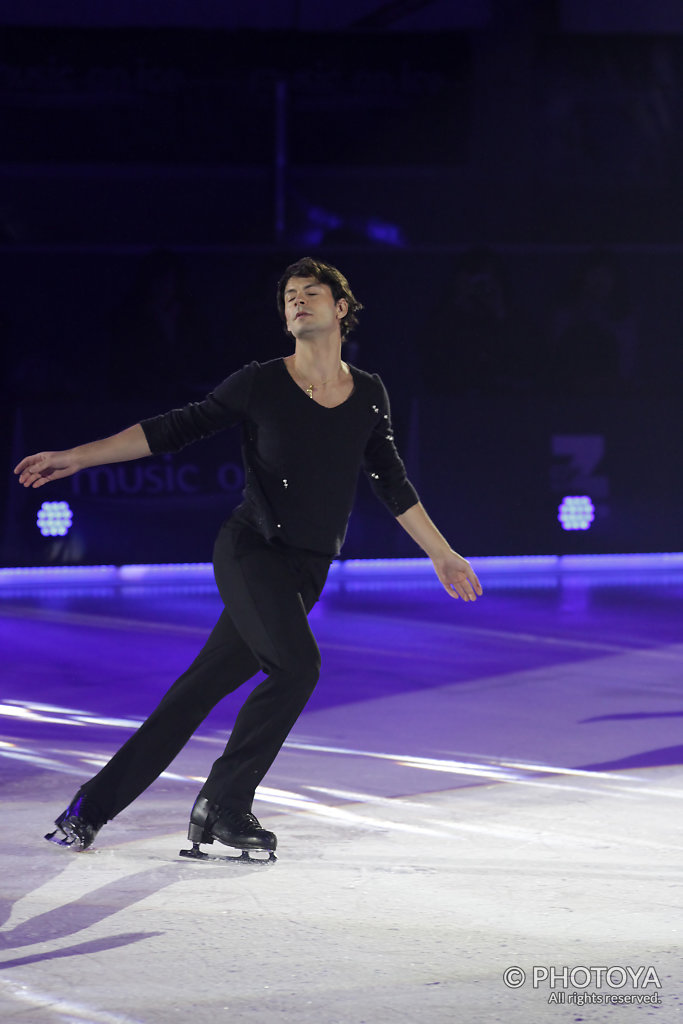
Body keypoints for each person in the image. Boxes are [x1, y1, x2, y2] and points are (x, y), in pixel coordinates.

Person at [14, 256, 483, 860]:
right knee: (298, 667)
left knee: (194, 692)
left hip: (307, 569)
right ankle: (224, 804)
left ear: (341, 309)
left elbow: (390, 481)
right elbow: (173, 428)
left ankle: (89, 808)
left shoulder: (368, 394)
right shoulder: (260, 381)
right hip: (251, 549)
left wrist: (442, 555)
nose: (298, 301)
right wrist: (78, 456)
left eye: (312, 292)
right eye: (290, 294)